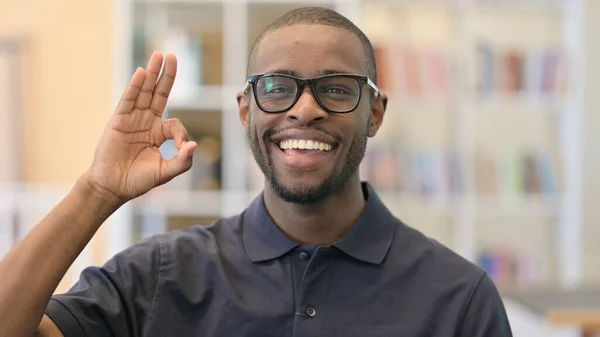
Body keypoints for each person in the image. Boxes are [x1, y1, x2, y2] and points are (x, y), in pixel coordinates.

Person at [0, 6, 513, 337]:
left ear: (374, 113)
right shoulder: (159, 277)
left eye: (336, 87)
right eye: (277, 87)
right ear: (246, 111)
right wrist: (96, 190)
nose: (305, 109)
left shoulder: (458, 300)